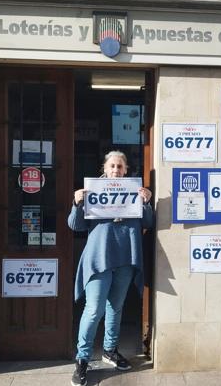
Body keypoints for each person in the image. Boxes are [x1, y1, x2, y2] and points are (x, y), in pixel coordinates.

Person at [68, 150, 153, 386]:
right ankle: (82, 359)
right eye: (112, 166)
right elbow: (75, 225)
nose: (116, 170)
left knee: (115, 307)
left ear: (126, 170)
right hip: (100, 258)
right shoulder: (92, 192)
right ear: (104, 169)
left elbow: (148, 223)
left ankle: (109, 350)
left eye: (120, 166)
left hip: (125, 257)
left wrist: (146, 202)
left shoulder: (134, 191)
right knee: (94, 309)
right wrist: (77, 203)